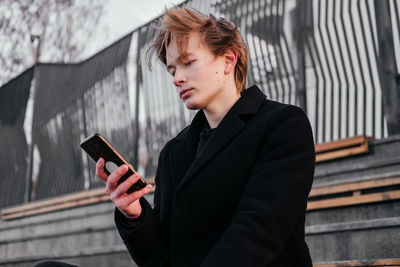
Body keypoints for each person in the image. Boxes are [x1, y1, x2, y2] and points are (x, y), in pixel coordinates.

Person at [34, 6, 315, 267]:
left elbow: (257, 233)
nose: (177, 78)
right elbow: (161, 258)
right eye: (172, 70)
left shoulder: (281, 125)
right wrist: (135, 215)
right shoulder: (175, 151)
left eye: (188, 63)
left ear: (228, 59)